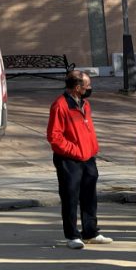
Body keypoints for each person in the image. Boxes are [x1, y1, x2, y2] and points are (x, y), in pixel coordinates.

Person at [46, 70, 112, 250]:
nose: (90, 88)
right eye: (87, 85)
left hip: (88, 157)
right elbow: (54, 137)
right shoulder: (60, 106)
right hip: (69, 159)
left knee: (89, 196)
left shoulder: (85, 104)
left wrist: (92, 149)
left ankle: (90, 232)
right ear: (77, 87)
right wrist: (75, 151)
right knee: (70, 197)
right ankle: (72, 235)